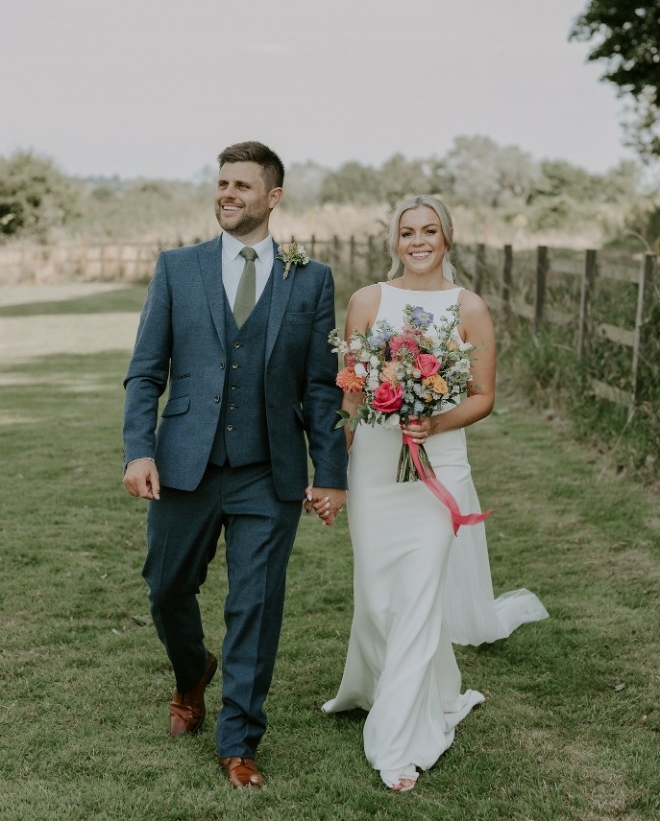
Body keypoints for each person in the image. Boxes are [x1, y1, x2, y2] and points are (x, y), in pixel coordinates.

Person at [122, 140, 348, 790]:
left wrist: (329, 472)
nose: (227, 194)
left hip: (267, 470)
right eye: (221, 183)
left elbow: (320, 387)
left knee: (255, 604)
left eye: (242, 186)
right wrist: (139, 448)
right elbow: (145, 374)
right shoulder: (177, 268)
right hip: (182, 465)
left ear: (272, 197)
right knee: (167, 590)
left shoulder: (310, 277)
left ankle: (238, 740)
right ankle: (192, 673)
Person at [322, 194, 548, 792]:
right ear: (393, 241)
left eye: (429, 230)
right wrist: (329, 467)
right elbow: (349, 389)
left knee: (420, 598)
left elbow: (482, 395)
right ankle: (377, 687)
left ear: (448, 238)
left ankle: (398, 741)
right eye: (406, 231)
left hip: (438, 467)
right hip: (374, 464)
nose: (418, 240)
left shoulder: (468, 307)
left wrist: (434, 422)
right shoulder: (367, 301)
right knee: (376, 599)